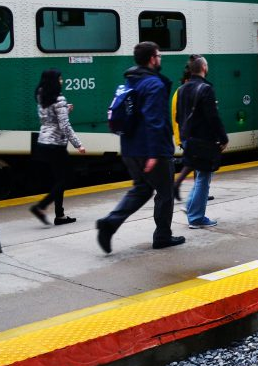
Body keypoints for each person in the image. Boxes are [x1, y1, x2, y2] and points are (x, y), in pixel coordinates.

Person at [96, 41, 184, 253]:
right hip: (151, 151)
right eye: (159, 55)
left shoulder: (130, 82)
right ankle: (162, 236)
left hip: (130, 149)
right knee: (165, 192)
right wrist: (155, 153)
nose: (160, 59)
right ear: (152, 58)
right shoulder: (153, 84)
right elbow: (155, 120)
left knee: (142, 189)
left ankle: (110, 223)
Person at [175, 55, 229, 229]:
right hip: (203, 140)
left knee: (201, 175)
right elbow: (213, 117)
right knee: (204, 177)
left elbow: (178, 117)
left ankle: (191, 207)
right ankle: (197, 217)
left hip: (188, 139)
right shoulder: (206, 89)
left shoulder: (182, 89)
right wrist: (223, 138)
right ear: (204, 68)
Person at [29, 69, 86, 226]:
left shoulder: (42, 96)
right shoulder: (59, 99)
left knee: (59, 179)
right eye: (60, 79)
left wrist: (65, 109)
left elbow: (47, 117)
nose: (62, 81)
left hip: (43, 142)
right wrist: (78, 144)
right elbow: (65, 126)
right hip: (56, 145)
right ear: (54, 81)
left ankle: (59, 216)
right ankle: (40, 207)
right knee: (67, 178)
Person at [171, 65, 193, 201]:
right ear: (186, 80)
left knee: (193, 163)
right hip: (187, 135)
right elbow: (178, 118)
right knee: (194, 163)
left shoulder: (181, 92)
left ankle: (177, 185)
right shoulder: (182, 93)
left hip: (186, 135)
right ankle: (177, 185)